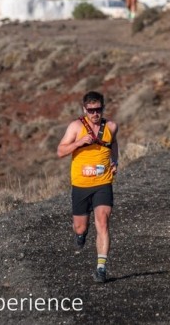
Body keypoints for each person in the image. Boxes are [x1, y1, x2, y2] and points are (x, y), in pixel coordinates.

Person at [57, 91, 119, 283]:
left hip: (103, 182)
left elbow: (114, 143)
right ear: (84, 110)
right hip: (81, 185)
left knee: (102, 221)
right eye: (90, 110)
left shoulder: (111, 126)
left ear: (103, 108)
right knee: (79, 226)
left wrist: (115, 160)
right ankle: (81, 234)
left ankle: (101, 268)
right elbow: (60, 151)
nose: (94, 114)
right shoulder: (75, 127)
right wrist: (78, 143)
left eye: (98, 109)